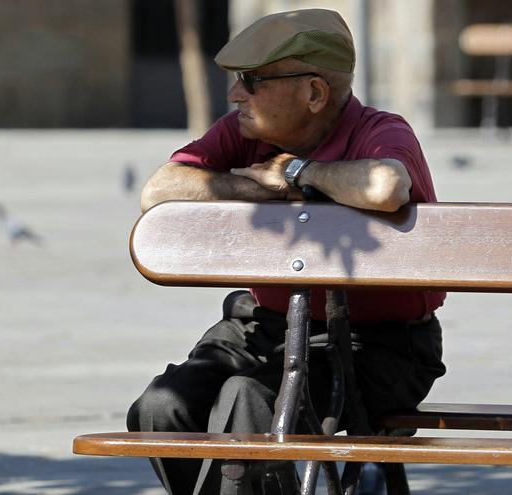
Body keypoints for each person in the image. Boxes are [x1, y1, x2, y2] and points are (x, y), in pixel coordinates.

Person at [127, 9, 447, 495]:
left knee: (248, 400)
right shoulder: (246, 131)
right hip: (265, 328)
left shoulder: (379, 130)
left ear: (314, 93)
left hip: (379, 345)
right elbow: (159, 190)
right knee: (161, 408)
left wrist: (298, 172)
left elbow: (385, 186)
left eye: (252, 81)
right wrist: (258, 189)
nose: (236, 94)